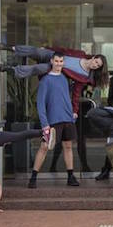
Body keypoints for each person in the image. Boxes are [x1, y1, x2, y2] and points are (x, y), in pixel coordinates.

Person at [0, 43, 109, 172]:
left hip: (55, 67)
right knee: (37, 51)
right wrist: (50, 48)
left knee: (37, 68)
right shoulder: (81, 55)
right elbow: (66, 49)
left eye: (98, 65)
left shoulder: (83, 77)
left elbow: (76, 94)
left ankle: (9, 69)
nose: (94, 65)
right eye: (96, 61)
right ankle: (10, 48)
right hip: (55, 55)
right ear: (94, 57)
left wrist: (74, 111)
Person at [28, 52, 80, 188]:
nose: (58, 64)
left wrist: (72, 114)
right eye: (56, 61)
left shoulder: (64, 78)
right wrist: (45, 124)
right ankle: (33, 177)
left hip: (67, 119)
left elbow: (66, 98)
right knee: (44, 147)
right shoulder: (45, 81)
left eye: (61, 61)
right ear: (52, 61)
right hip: (52, 122)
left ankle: (70, 176)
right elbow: (40, 104)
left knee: (68, 147)